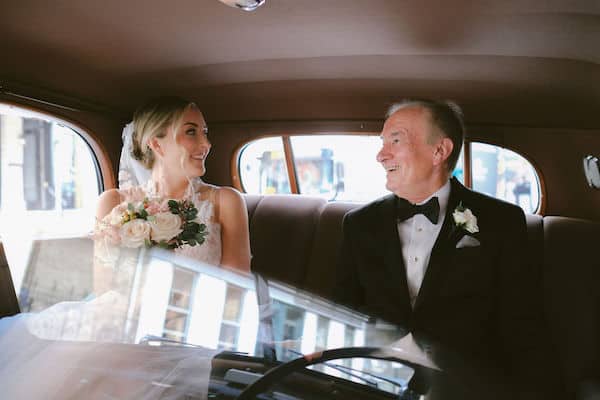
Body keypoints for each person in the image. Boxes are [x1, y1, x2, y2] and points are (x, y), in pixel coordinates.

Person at [334, 99, 561, 399]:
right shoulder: (359, 224)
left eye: (396, 140)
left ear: (439, 151)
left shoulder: (501, 222)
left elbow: (522, 327)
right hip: (376, 387)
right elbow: (341, 317)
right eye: (382, 142)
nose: (381, 154)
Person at [97, 96, 251, 271]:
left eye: (205, 132)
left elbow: (236, 290)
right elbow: (105, 288)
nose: (206, 144)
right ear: (156, 144)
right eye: (191, 132)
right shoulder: (112, 203)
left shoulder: (226, 202)